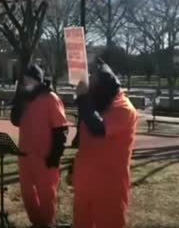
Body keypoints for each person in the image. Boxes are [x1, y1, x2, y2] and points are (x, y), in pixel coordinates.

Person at [73, 60, 137, 228]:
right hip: (86, 180)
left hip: (109, 183)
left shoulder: (124, 108)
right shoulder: (99, 104)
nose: (91, 91)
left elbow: (98, 128)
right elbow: (84, 139)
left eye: (94, 87)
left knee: (109, 221)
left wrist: (83, 98)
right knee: (81, 221)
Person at [10, 64, 69, 228]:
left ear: (37, 80)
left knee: (46, 194)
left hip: (45, 156)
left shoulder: (51, 98)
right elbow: (15, 121)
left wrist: (55, 156)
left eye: (28, 79)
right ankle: (36, 222)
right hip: (25, 155)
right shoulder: (25, 98)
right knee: (27, 192)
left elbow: (61, 129)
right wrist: (17, 99)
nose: (25, 82)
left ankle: (48, 223)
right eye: (24, 80)